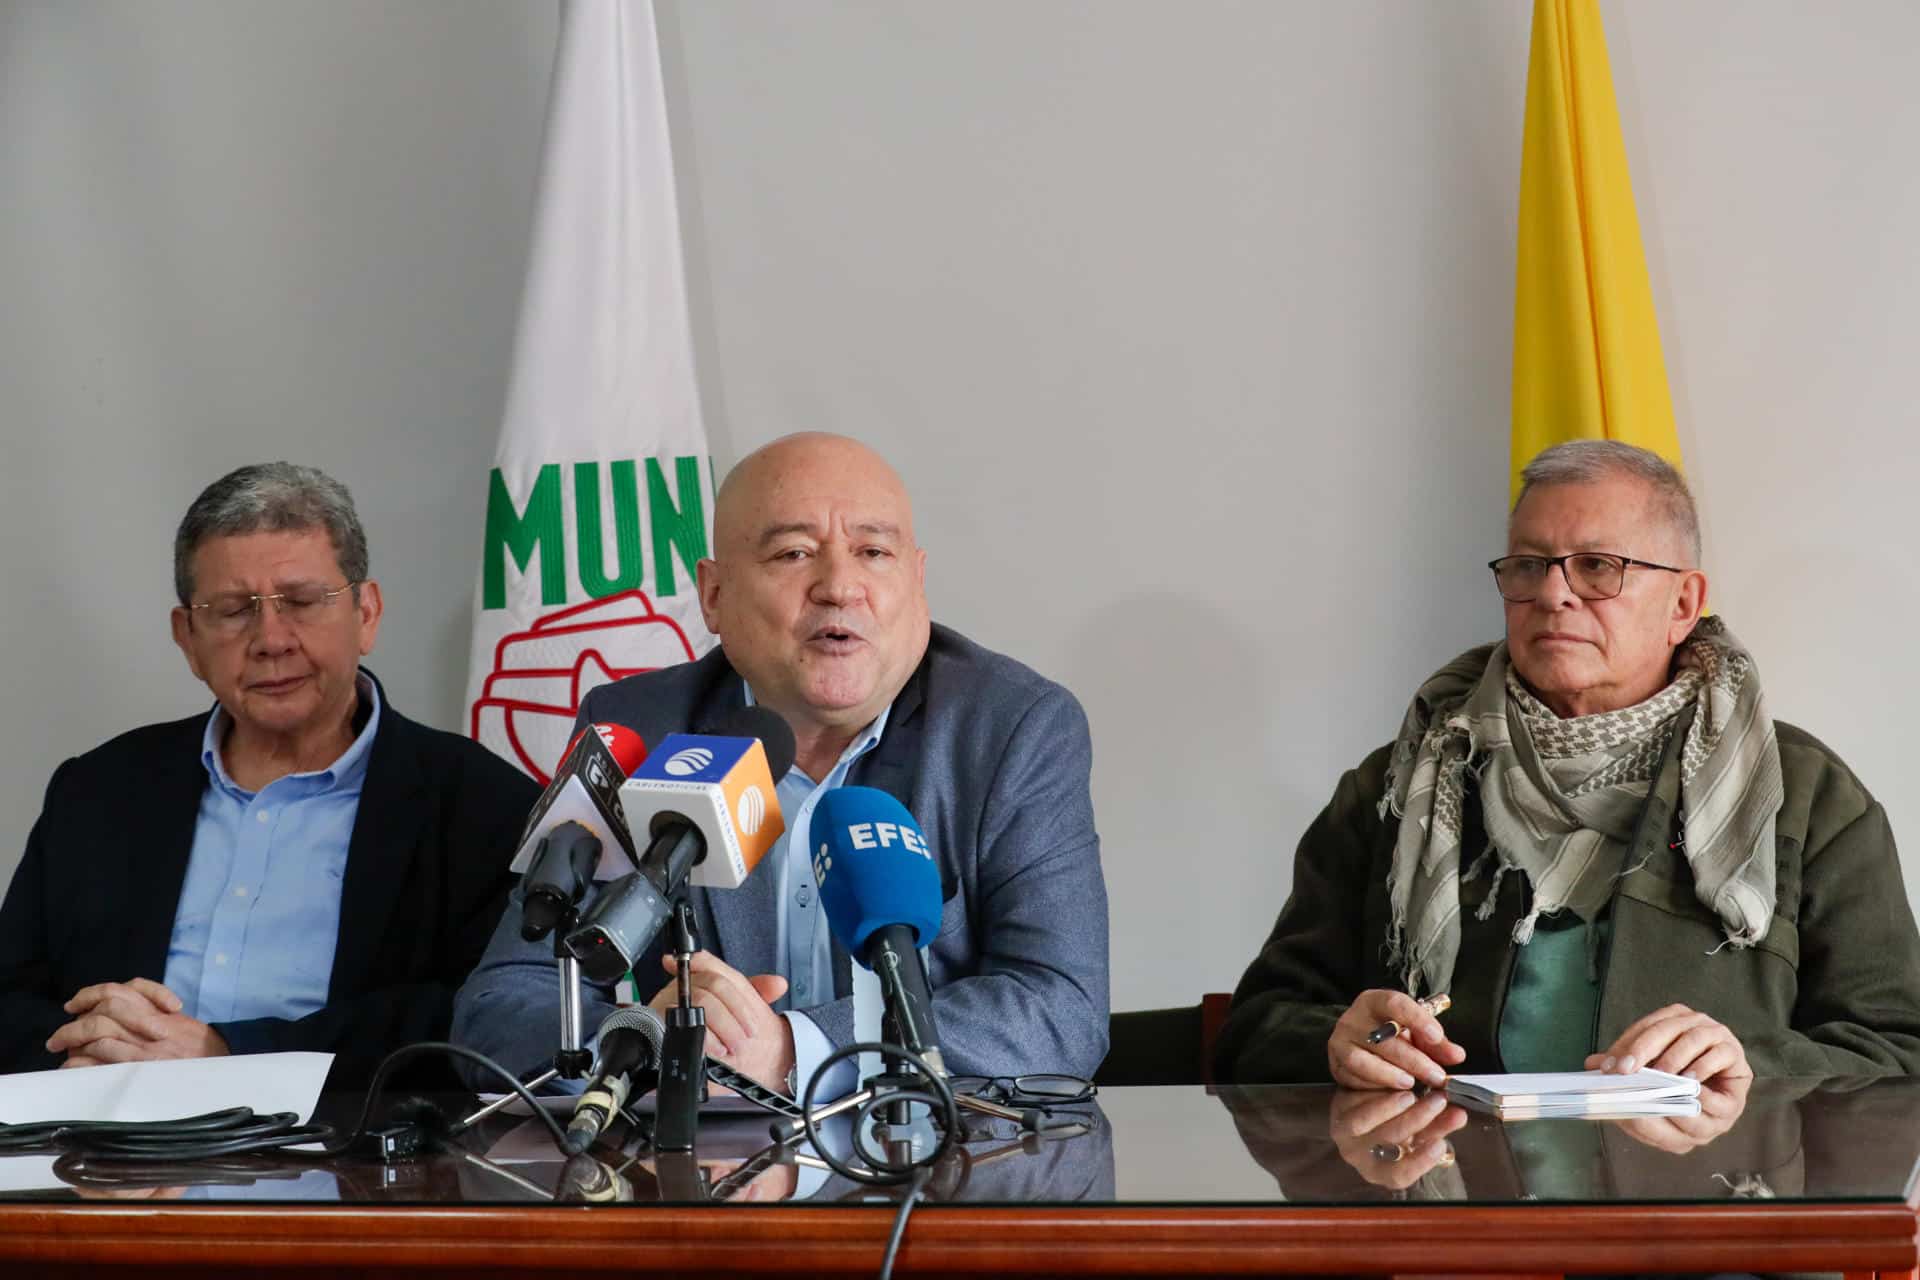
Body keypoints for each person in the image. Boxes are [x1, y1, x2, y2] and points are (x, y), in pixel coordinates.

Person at [1216, 440, 1920, 1089]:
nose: (1553, 594)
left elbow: (1900, 1052)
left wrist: (1751, 1070)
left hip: (1704, 1213)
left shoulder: (1805, 794)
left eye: (1598, 567)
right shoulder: (1399, 786)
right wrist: (1335, 1043)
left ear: (1684, 602)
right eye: (1529, 566)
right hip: (1445, 1211)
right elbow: (1255, 1030)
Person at [453, 433, 1108, 1096]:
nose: (839, 587)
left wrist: (795, 1049)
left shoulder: (1010, 731)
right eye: (794, 553)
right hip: (700, 1181)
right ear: (713, 594)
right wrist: (642, 1043)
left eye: (874, 553)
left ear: (917, 581)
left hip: (940, 1173)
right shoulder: (640, 730)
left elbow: (1060, 1009)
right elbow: (504, 1002)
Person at [0, 463, 537, 1086]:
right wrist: (99, 1050)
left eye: (303, 603)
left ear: (366, 613)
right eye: (232, 611)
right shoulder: (97, 791)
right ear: (188, 638)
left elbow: (478, 1022)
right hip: (108, 1152)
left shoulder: (480, 802)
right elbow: (10, 1000)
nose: (271, 639)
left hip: (346, 1162)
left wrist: (228, 1055)